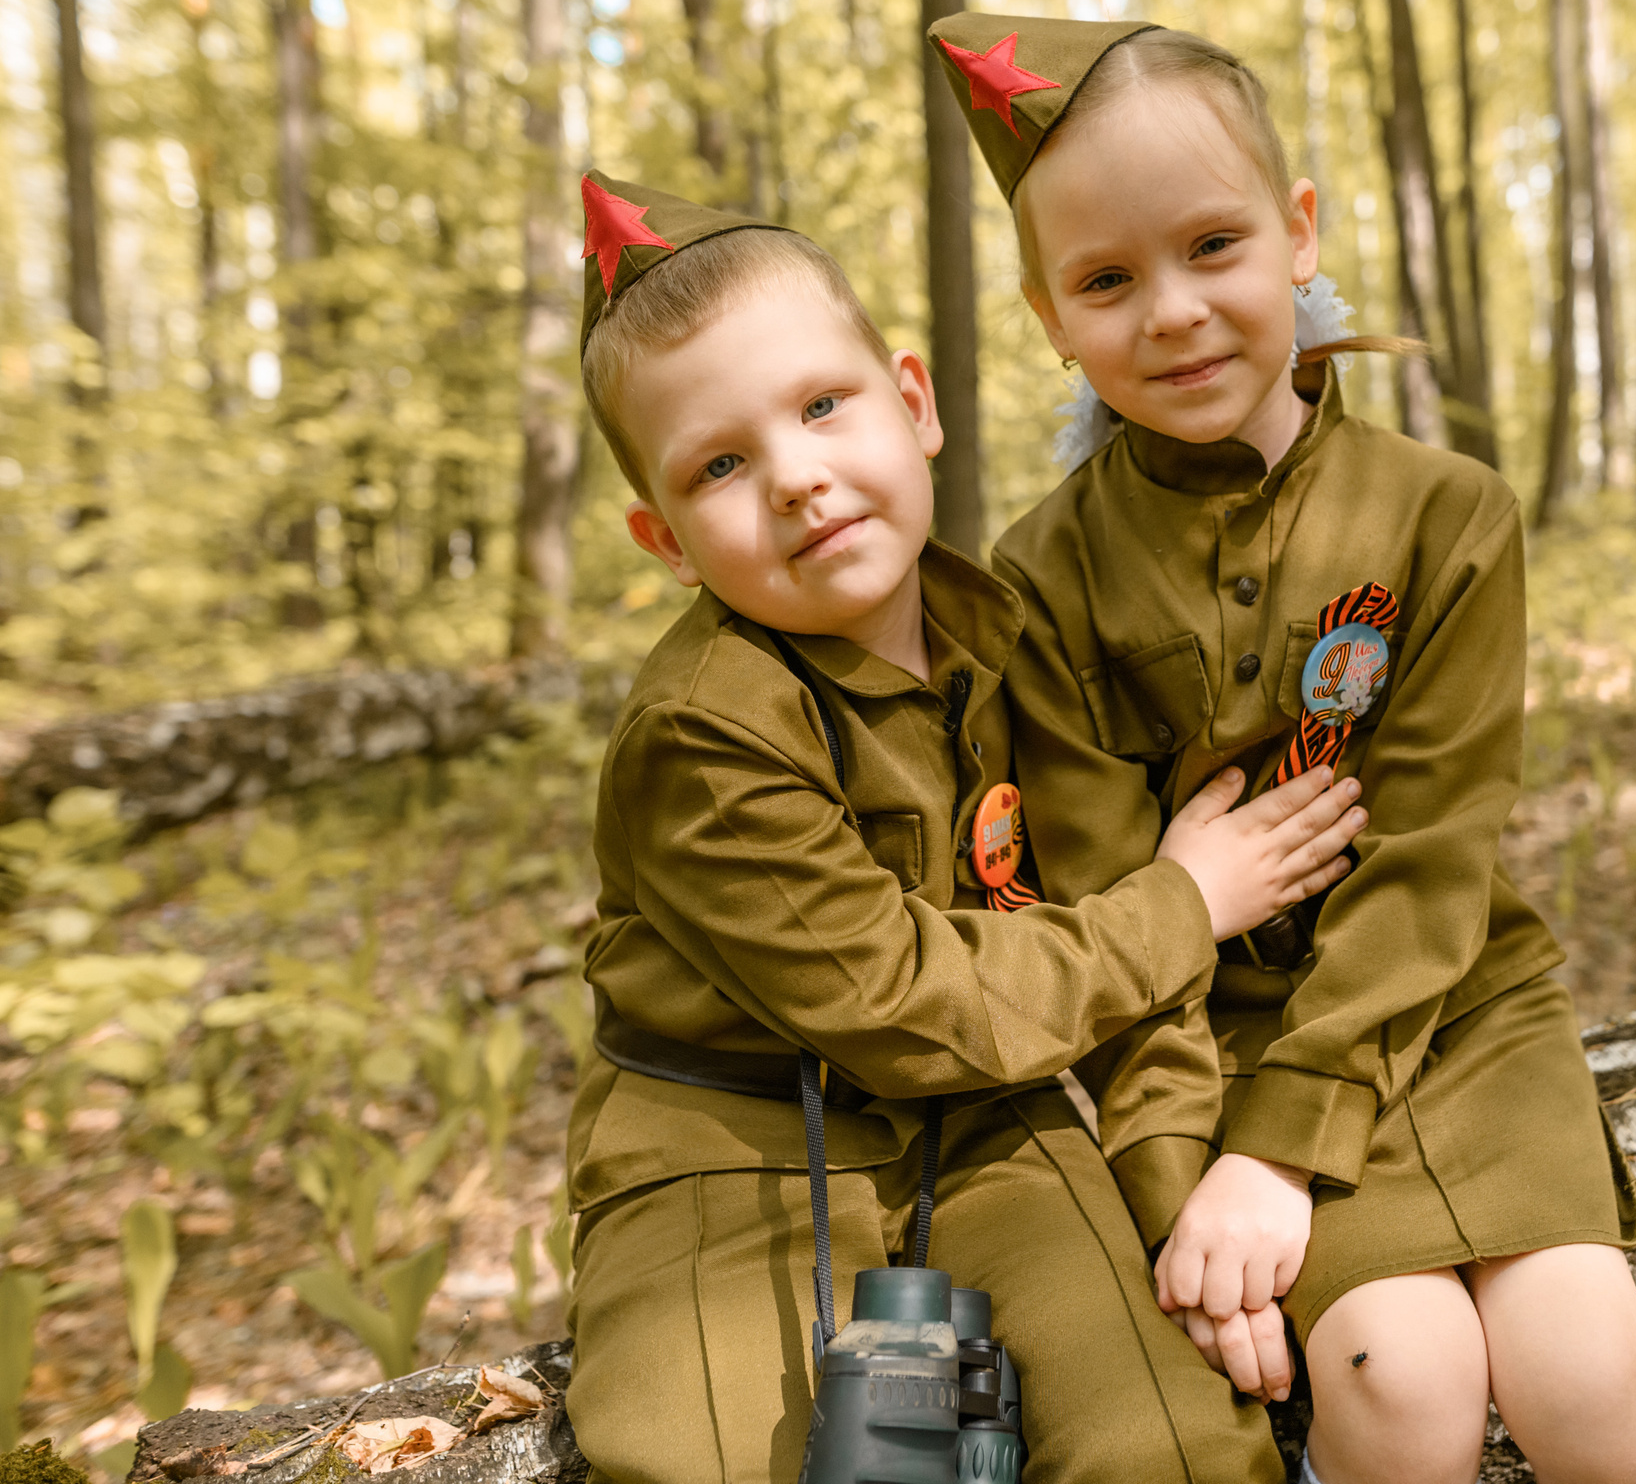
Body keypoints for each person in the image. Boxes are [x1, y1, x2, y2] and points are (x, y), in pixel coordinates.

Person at [930, 16, 1636, 1484]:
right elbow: (1116, 918)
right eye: (1108, 281)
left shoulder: (1445, 514)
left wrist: (1282, 1155)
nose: (1171, 313)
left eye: (1212, 246)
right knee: (1392, 1374)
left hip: (1458, 1006)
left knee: (1588, 1376)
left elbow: (1432, 857)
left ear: (1297, 235)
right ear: (1050, 317)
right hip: (1224, 1043)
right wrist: (1191, 1196)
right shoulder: (1042, 576)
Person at [561, 171, 1367, 1484]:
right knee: (707, 1455)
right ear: (667, 541)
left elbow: (1103, 953)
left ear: (914, 404)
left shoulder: (1009, 633)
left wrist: (1185, 1209)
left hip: (989, 1120)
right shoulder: (705, 734)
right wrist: (1185, 903)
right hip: (732, 1155)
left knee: (1165, 1440)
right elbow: (910, 1000)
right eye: (721, 464)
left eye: (824, 406)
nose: (798, 479)